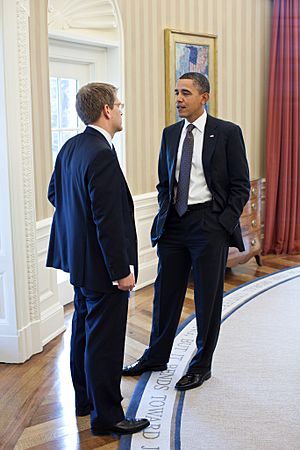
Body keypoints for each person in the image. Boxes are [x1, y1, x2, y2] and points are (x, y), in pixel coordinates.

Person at [122, 72, 250, 391]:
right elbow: (164, 183)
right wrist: (167, 210)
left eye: (186, 93)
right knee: (165, 295)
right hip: (174, 225)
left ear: (204, 97)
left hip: (209, 223)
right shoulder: (169, 134)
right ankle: (156, 356)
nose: (178, 98)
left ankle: (201, 364)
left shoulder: (227, 133)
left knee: (207, 298)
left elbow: (240, 185)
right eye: (177, 92)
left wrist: (223, 224)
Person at [46, 82, 149, 435]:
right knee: (104, 343)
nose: (122, 109)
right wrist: (121, 271)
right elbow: (107, 218)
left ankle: (84, 402)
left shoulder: (71, 147)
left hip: (79, 263)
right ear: (106, 109)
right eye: (119, 104)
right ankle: (107, 417)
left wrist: (79, 231)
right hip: (104, 269)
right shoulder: (102, 153)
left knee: (83, 334)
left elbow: (54, 194)